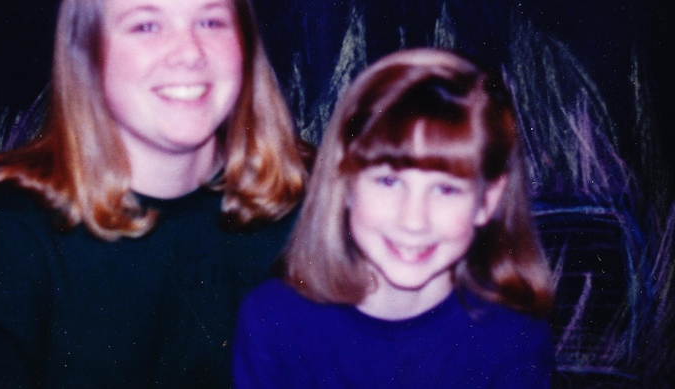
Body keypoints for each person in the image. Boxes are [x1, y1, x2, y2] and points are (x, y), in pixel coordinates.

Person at [0, 0, 308, 388]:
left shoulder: (310, 208)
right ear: (87, 52)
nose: (189, 52)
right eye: (147, 26)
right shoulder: (10, 236)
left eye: (212, 22)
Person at [234, 48, 556, 388]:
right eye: (389, 181)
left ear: (486, 201)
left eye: (446, 189)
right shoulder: (274, 319)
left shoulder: (512, 336)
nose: (413, 221)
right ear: (345, 183)